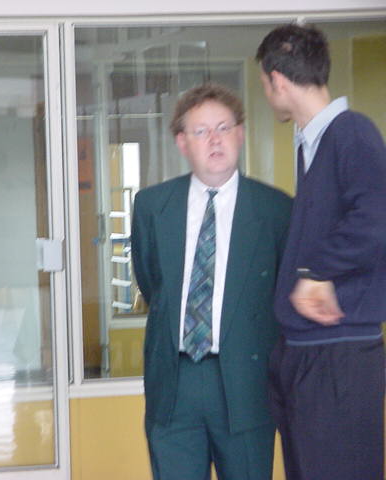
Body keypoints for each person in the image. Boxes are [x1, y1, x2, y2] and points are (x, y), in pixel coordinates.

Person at [131, 83, 292, 480]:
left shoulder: (277, 209)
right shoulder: (152, 205)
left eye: (223, 127)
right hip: (175, 383)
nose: (215, 139)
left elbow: (282, 295)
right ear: (182, 142)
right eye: (201, 131)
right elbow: (153, 285)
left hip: (246, 384)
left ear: (241, 134)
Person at [257, 23, 386, 480]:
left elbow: (377, 216)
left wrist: (316, 272)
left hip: (339, 356)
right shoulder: (313, 143)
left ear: (277, 80)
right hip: (307, 353)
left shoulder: (351, 132)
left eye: (264, 84)